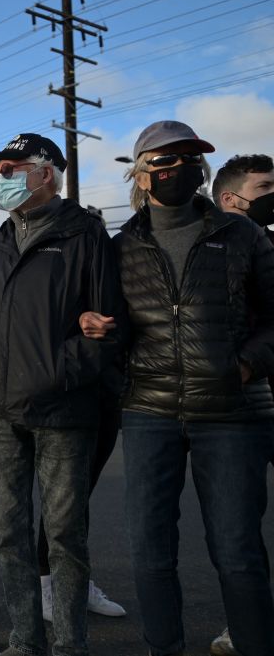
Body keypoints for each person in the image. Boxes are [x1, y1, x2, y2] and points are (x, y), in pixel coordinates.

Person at [0, 133, 124, 656]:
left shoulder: (85, 234)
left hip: (64, 410)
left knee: (65, 538)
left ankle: (70, 646)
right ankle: (24, 643)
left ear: (45, 172)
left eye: (10, 169)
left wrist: (56, 371)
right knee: (9, 535)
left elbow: (108, 327)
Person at [110, 121, 274, 656]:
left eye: (188, 158)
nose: (177, 168)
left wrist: (245, 365)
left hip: (231, 412)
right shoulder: (121, 245)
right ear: (140, 174)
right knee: (149, 552)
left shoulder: (241, 233)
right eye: (163, 160)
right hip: (147, 411)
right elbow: (112, 327)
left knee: (238, 552)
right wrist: (96, 326)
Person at [208, 152, 274, 656]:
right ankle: (248, 623)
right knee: (240, 530)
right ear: (232, 199)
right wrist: (246, 369)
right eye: (266, 186)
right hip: (245, 404)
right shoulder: (215, 250)